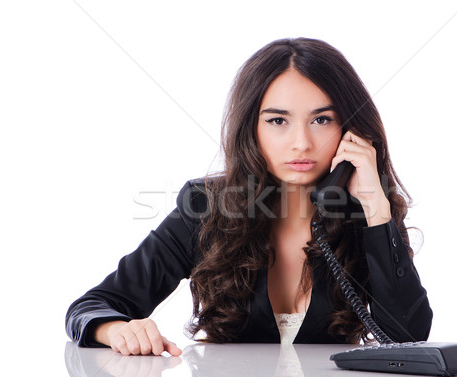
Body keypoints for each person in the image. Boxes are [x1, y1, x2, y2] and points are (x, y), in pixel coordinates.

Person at [65, 37, 433, 356]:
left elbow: (408, 337)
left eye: (322, 120)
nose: (301, 142)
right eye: (278, 121)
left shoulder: (370, 214)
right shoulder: (206, 206)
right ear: (251, 129)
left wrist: (375, 209)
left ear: (351, 130)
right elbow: (92, 307)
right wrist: (116, 330)